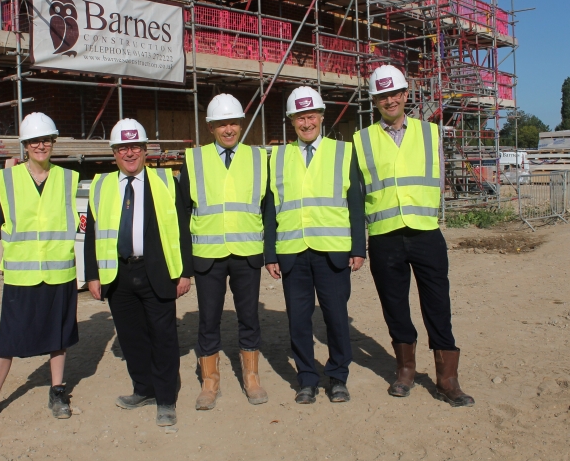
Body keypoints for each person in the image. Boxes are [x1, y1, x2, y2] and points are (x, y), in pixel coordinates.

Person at [355, 65, 474, 407]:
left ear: (406, 95)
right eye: (382, 95)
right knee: (395, 307)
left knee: (438, 306)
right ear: (375, 100)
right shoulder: (361, 140)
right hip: (384, 236)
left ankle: (447, 379)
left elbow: (439, 180)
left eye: (395, 93)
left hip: (425, 232)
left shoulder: (431, 133)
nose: (389, 100)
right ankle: (405, 369)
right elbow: (358, 191)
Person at [0, 112, 80, 426]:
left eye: (46, 140)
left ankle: (57, 390)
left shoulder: (68, 178)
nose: (41, 145)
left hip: (58, 270)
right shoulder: (5, 180)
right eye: (34, 141)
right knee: (9, 338)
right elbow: (3, 227)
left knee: (58, 335)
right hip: (21, 273)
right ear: (25, 146)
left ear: (52, 143)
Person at [84, 118, 192, 427]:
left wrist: (184, 271)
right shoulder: (100, 185)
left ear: (145, 150)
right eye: (122, 148)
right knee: (131, 338)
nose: (129, 153)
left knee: (164, 337)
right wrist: (93, 275)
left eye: (135, 147)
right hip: (117, 274)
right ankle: (143, 389)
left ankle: (166, 398)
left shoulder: (166, 181)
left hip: (156, 271)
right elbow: (93, 232)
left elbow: (182, 229)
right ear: (114, 153)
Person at [263, 86, 366, 404]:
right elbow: (270, 207)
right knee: (298, 321)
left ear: (322, 117)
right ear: (291, 121)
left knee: (336, 317)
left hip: (332, 251)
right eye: (299, 117)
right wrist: (270, 252)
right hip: (292, 251)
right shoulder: (277, 156)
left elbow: (355, 202)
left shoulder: (343, 152)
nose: (306, 123)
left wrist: (358, 248)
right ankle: (306, 378)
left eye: (311, 116)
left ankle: (338, 377)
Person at [178, 94, 268, 411]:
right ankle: (210, 381)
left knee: (249, 318)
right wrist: (184, 263)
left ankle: (252, 376)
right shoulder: (194, 160)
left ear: (240, 124)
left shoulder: (259, 158)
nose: (228, 129)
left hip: (246, 252)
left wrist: (269, 253)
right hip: (208, 254)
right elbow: (182, 211)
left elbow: (267, 208)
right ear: (211, 127)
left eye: (233, 123)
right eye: (221, 124)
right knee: (208, 320)